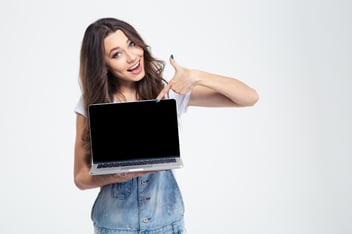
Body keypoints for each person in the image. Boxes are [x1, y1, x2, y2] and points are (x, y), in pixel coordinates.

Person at [74, 17, 259, 234]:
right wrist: (117, 175)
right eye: (117, 54)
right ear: (103, 65)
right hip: (115, 227)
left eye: (132, 44)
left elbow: (249, 97)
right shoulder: (92, 105)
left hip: (166, 225)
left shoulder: (167, 94)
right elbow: (80, 177)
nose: (132, 57)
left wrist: (197, 76)